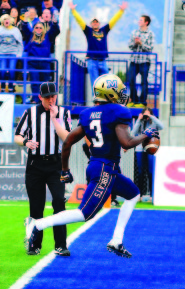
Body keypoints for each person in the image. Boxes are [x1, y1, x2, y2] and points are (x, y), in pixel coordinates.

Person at [24, 74, 159, 258]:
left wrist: (65, 170)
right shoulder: (118, 112)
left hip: (98, 166)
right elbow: (126, 143)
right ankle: (37, 224)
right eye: (118, 91)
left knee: (133, 193)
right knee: (84, 213)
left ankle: (117, 241)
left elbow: (68, 142)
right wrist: (146, 134)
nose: (121, 95)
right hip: (104, 168)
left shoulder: (88, 113)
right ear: (111, 94)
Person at [15, 82, 72, 256]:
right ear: (40, 97)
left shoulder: (63, 113)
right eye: (47, 97)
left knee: (58, 202)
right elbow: (17, 135)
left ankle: (60, 245)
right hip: (35, 165)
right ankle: (35, 244)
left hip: (56, 164)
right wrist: (26, 142)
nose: (51, 99)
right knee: (36, 206)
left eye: (53, 96)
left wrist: (55, 119)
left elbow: (67, 138)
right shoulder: (30, 113)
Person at [69, 1, 128, 94]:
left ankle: (105, 99)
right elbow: (80, 21)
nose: (95, 23)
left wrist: (121, 11)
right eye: (93, 22)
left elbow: (113, 21)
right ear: (91, 24)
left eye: (97, 22)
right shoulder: (88, 31)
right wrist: (73, 11)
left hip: (102, 60)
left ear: (99, 23)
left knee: (106, 82)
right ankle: (96, 100)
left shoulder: (104, 30)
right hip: (92, 60)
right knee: (95, 83)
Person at [22, 11, 60, 103]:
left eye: (40, 28)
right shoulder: (30, 36)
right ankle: (35, 99)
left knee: (45, 84)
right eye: (36, 28)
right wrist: (25, 20)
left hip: (45, 64)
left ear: (43, 29)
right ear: (34, 29)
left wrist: (55, 23)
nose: (38, 29)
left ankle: (44, 101)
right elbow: (25, 29)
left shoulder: (48, 36)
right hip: (33, 64)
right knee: (34, 83)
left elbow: (55, 31)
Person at [132, 108, 163, 201]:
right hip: (140, 148)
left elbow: (162, 127)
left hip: (151, 147)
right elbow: (133, 133)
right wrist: (139, 120)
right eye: (145, 114)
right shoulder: (140, 122)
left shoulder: (154, 122)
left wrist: (152, 117)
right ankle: (139, 195)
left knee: (150, 171)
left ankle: (152, 195)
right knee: (140, 172)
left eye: (148, 114)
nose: (146, 116)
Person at [128, 15, 154, 108]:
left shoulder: (150, 34)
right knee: (131, 80)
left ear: (146, 22)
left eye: (141, 20)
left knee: (144, 82)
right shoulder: (134, 32)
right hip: (134, 60)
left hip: (144, 61)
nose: (139, 21)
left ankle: (142, 102)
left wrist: (141, 43)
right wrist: (135, 43)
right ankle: (134, 100)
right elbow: (130, 46)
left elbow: (150, 48)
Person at [0, 13, 23, 92]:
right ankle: (2, 87)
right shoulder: (0, 29)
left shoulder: (15, 30)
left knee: (12, 70)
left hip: (13, 53)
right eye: (4, 19)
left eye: (7, 19)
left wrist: (19, 54)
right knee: (2, 70)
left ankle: (11, 87)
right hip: (2, 53)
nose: (6, 21)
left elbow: (20, 43)